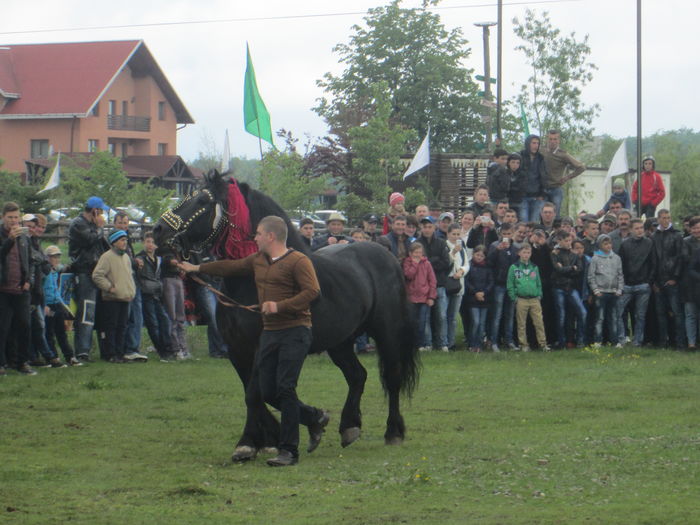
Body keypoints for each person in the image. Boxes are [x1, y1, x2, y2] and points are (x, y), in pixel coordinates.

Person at [178, 216, 329, 467]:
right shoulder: (259, 260)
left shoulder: (298, 261)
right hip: (270, 332)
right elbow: (231, 267)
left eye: (258, 233)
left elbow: (313, 292)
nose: (255, 237)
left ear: (271, 236)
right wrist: (196, 269)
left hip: (295, 331)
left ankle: (288, 450)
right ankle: (314, 417)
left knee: (285, 388)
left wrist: (279, 306)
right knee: (266, 390)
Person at [68, 196, 109, 361]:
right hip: (85, 273)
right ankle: (82, 351)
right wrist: (99, 229)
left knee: (100, 313)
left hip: (97, 273)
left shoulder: (92, 226)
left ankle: (105, 349)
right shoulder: (78, 224)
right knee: (86, 312)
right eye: (100, 211)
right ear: (94, 210)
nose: (102, 215)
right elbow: (89, 240)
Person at [0, 202, 36, 376]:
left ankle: (23, 362)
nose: (14, 221)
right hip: (3, 288)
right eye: (10, 217)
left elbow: (30, 261)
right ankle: (1, 364)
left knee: (24, 325)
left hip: (21, 288)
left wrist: (29, 279)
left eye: (16, 217)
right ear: (2, 217)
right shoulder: (4, 235)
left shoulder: (24, 237)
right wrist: (9, 240)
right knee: (3, 328)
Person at [91, 230, 137, 363]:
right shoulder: (107, 257)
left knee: (122, 327)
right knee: (111, 327)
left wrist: (131, 290)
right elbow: (97, 275)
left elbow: (129, 276)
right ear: (114, 242)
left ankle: (120, 353)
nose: (125, 243)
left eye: (126, 240)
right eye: (122, 240)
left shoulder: (126, 257)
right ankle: (110, 354)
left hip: (125, 297)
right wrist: (109, 287)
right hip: (112, 298)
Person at [24, 213, 62, 368]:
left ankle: (38, 356)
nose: (39, 229)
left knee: (38, 325)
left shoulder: (36, 242)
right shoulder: (28, 242)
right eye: (36, 226)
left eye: (41, 227)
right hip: (30, 289)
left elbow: (44, 265)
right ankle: (45, 356)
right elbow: (38, 262)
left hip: (38, 290)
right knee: (34, 325)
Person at [113, 212, 148, 362]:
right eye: (120, 222)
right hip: (123, 281)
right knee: (125, 316)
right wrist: (135, 262)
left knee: (137, 316)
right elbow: (121, 259)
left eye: (126, 223)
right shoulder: (113, 240)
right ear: (115, 224)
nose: (123, 225)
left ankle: (133, 348)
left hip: (134, 280)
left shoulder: (129, 240)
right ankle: (124, 349)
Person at [136, 232, 175, 361]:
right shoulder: (140, 258)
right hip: (146, 294)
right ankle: (161, 350)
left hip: (157, 294)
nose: (150, 245)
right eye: (147, 242)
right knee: (153, 324)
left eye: (152, 242)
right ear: (143, 243)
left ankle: (168, 348)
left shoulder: (158, 259)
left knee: (164, 321)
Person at [617, 218, 656, 347]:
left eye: (641, 228)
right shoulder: (625, 244)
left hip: (643, 284)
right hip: (627, 284)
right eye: (637, 228)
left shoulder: (649, 243)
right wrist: (622, 282)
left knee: (640, 315)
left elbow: (653, 264)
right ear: (631, 230)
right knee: (619, 312)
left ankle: (638, 341)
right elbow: (620, 265)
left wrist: (648, 282)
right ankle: (621, 339)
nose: (640, 230)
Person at [43, 245, 82, 366]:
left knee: (61, 332)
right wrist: (44, 305)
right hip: (48, 305)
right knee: (49, 333)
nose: (56, 259)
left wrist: (64, 306)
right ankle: (53, 357)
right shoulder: (44, 272)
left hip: (56, 303)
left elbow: (56, 290)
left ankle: (69, 356)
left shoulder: (55, 272)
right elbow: (41, 289)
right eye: (53, 256)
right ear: (47, 258)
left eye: (58, 256)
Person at [652, 209, 685, 348]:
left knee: (677, 313)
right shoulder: (654, 236)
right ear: (658, 219)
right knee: (660, 314)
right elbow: (653, 260)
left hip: (672, 280)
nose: (666, 220)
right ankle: (662, 341)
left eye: (668, 217)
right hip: (658, 281)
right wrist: (653, 281)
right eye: (664, 218)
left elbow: (680, 258)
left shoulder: (677, 235)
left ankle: (680, 342)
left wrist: (675, 278)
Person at [418, 216, 451, 351]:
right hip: (423, 285)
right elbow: (419, 264)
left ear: (434, 227)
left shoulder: (441, 243)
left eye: (429, 226)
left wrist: (429, 262)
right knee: (425, 317)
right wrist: (434, 260)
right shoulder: (417, 243)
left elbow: (446, 262)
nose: (427, 229)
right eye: (424, 226)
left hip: (440, 284)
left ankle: (443, 343)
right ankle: (427, 343)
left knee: (442, 316)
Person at [507, 243, 548, 352]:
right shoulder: (514, 267)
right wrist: (514, 297)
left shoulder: (534, 267)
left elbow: (538, 282)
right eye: (524, 252)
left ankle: (543, 344)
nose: (526, 255)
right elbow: (510, 284)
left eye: (528, 252)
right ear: (519, 253)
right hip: (521, 299)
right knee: (521, 323)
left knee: (539, 322)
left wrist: (539, 294)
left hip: (534, 299)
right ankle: (523, 344)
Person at [551, 231, 587, 349]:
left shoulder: (574, 254)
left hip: (571, 287)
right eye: (566, 241)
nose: (568, 243)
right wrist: (572, 268)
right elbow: (558, 269)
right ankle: (562, 342)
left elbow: (580, 269)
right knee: (561, 316)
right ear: (559, 241)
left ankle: (580, 339)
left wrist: (566, 268)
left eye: (570, 240)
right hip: (558, 287)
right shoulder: (554, 253)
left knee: (583, 312)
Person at [486, 223, 520, 351]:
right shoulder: (494, 245)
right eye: (504, 234)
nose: (506, 236)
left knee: (510, 314)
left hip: (511, 285)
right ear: (500, 234)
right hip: (498, 284)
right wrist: (497, 250)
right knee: (497, 314)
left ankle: (509, 340)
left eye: (509, 234)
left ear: (512, 233)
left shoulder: (516, 248)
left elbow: (518, 266)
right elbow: (488, 262)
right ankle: (494, 341)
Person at [587, 234, 624, 348]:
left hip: (613, 292)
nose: (608, 245)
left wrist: (619, 289)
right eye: (605, 243)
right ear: (600, 245)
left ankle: (614, 341)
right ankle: (598, 341)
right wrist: (596, 290)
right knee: (600, 318)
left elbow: (620, 275)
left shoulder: (616, 258)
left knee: (613, 317)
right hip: (601, 292)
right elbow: (591, 276)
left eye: (609, 243)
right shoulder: (595, 258)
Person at [541, 129, 586, 216]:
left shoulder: (563, 155)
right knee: (542, 214)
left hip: (556, 189)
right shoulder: (541, 151)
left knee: (555, 215)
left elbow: (581, 167)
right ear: (547, 140)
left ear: (559, 141)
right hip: (542, 189)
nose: (552, 141)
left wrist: (568, 177)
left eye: (555, 139)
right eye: (550, 139)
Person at [403, 242, 437, 352]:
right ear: (410, 253)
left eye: (420, 252)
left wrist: (431, 297)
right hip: (411, 298)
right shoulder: (407, 263)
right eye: (416, 252)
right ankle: (411, 343)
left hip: (424, 298)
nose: (418, 255)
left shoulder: (427, 264)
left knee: (422, 322)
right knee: (411, 322)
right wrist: (415, 264)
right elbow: (408, 275)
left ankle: (421, 344)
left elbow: (432, 281)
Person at [161, 247, 192, 360]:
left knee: (180, 317)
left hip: (178, 280)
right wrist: (174, 263)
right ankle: (176, 349)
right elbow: (164, 261)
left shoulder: (180, 252)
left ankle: (184, 348)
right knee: (172, 316)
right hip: (168, 280)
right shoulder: (165, 250)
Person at [465, 245, 493, 352]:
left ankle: (479, 344)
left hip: (485, 299)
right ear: (473, 254)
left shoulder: (487, 267)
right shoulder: (469, 266)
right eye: (477, 255)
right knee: (475, 322)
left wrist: (484, 292)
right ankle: (472, 344)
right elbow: (467, 282)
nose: (479, 257)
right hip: (473, 299)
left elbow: (491, 282)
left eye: (482, 255)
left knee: (482, 323)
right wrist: (475, 292)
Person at [445, 224, 468, 350]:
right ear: (448, 234)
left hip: (459, 285)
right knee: (443, 315)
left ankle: (451, 342)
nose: (455, 236)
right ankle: (443, 341)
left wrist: (462, 271)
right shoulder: (445, 245)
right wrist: (453, 252)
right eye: (453, 234)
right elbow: (446, 262)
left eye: (458, 234)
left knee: (453, 317)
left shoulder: (462, 248)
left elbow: (466, 264)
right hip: (447, 284)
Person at [519, 134, 547, 222]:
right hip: (522, 196)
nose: (535, 145)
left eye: (537, 143)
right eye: (533, 143)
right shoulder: (520, 156)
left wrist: (542, 194)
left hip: (537, 196)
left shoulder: (541, 158)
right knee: (523, 221)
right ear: (528, 144)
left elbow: (543, 177)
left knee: (534, 222)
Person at [682, 217, 700, 349]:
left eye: (699, 227)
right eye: (694, 228)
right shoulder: (685, 242)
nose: (697, 230)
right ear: (690, 229)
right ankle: (691, 343)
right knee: (690, 314)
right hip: (689, 284)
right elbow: (685, 261)